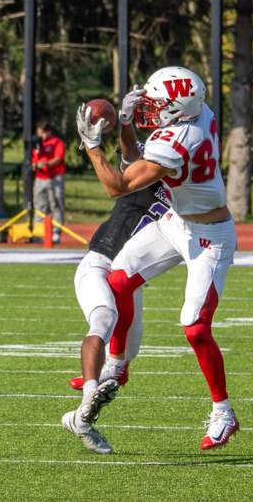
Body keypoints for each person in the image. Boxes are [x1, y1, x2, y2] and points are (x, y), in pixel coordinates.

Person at [74, 66, 239, 451]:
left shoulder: (181, 139)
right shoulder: (201, 111)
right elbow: (136, 157)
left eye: (158, 103)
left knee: (195, 327)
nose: (151, 106)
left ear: (178, 110)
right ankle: (118, 362)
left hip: (210, 237)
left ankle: (223, 410)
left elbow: (119, 183)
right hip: (176, 222)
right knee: (118, 279)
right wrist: (127, 122)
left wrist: (92, 145)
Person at [61, 90, 173, 454]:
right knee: (103, 319)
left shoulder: (183, 188)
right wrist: (123, 122)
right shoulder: (147, 171)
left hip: (130, 276)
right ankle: (90, 392)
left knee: (125, 360)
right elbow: (129, 155)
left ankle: (79, 417)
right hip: (101, 262)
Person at [31, 121, 66, 243]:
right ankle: (39, 233)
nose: (41, 135)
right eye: (39, 133)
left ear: (49, 132)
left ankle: (56, 232)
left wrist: (45, 164)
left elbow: (58, 159)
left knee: (55, 204)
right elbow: (33, 160)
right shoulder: (36, 145)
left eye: (43, 133)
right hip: (40, 178)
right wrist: (34, 166)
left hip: (54, 178)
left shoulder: (57, 142)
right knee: (39, 205)